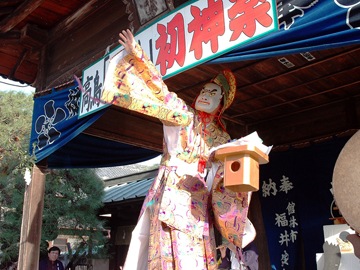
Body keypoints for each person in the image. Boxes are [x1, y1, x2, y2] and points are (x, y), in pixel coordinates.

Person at [101, 29, 256, 270]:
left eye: (213, 93)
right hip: (173, 189)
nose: (205, 94)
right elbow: (161, 93)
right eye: (204, 90)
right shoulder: (184, 115)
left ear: (221, 104)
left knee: (197, 253)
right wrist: (138, 55)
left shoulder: (222, 137)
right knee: (168, 245)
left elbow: (224, 179)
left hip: (201, 198)